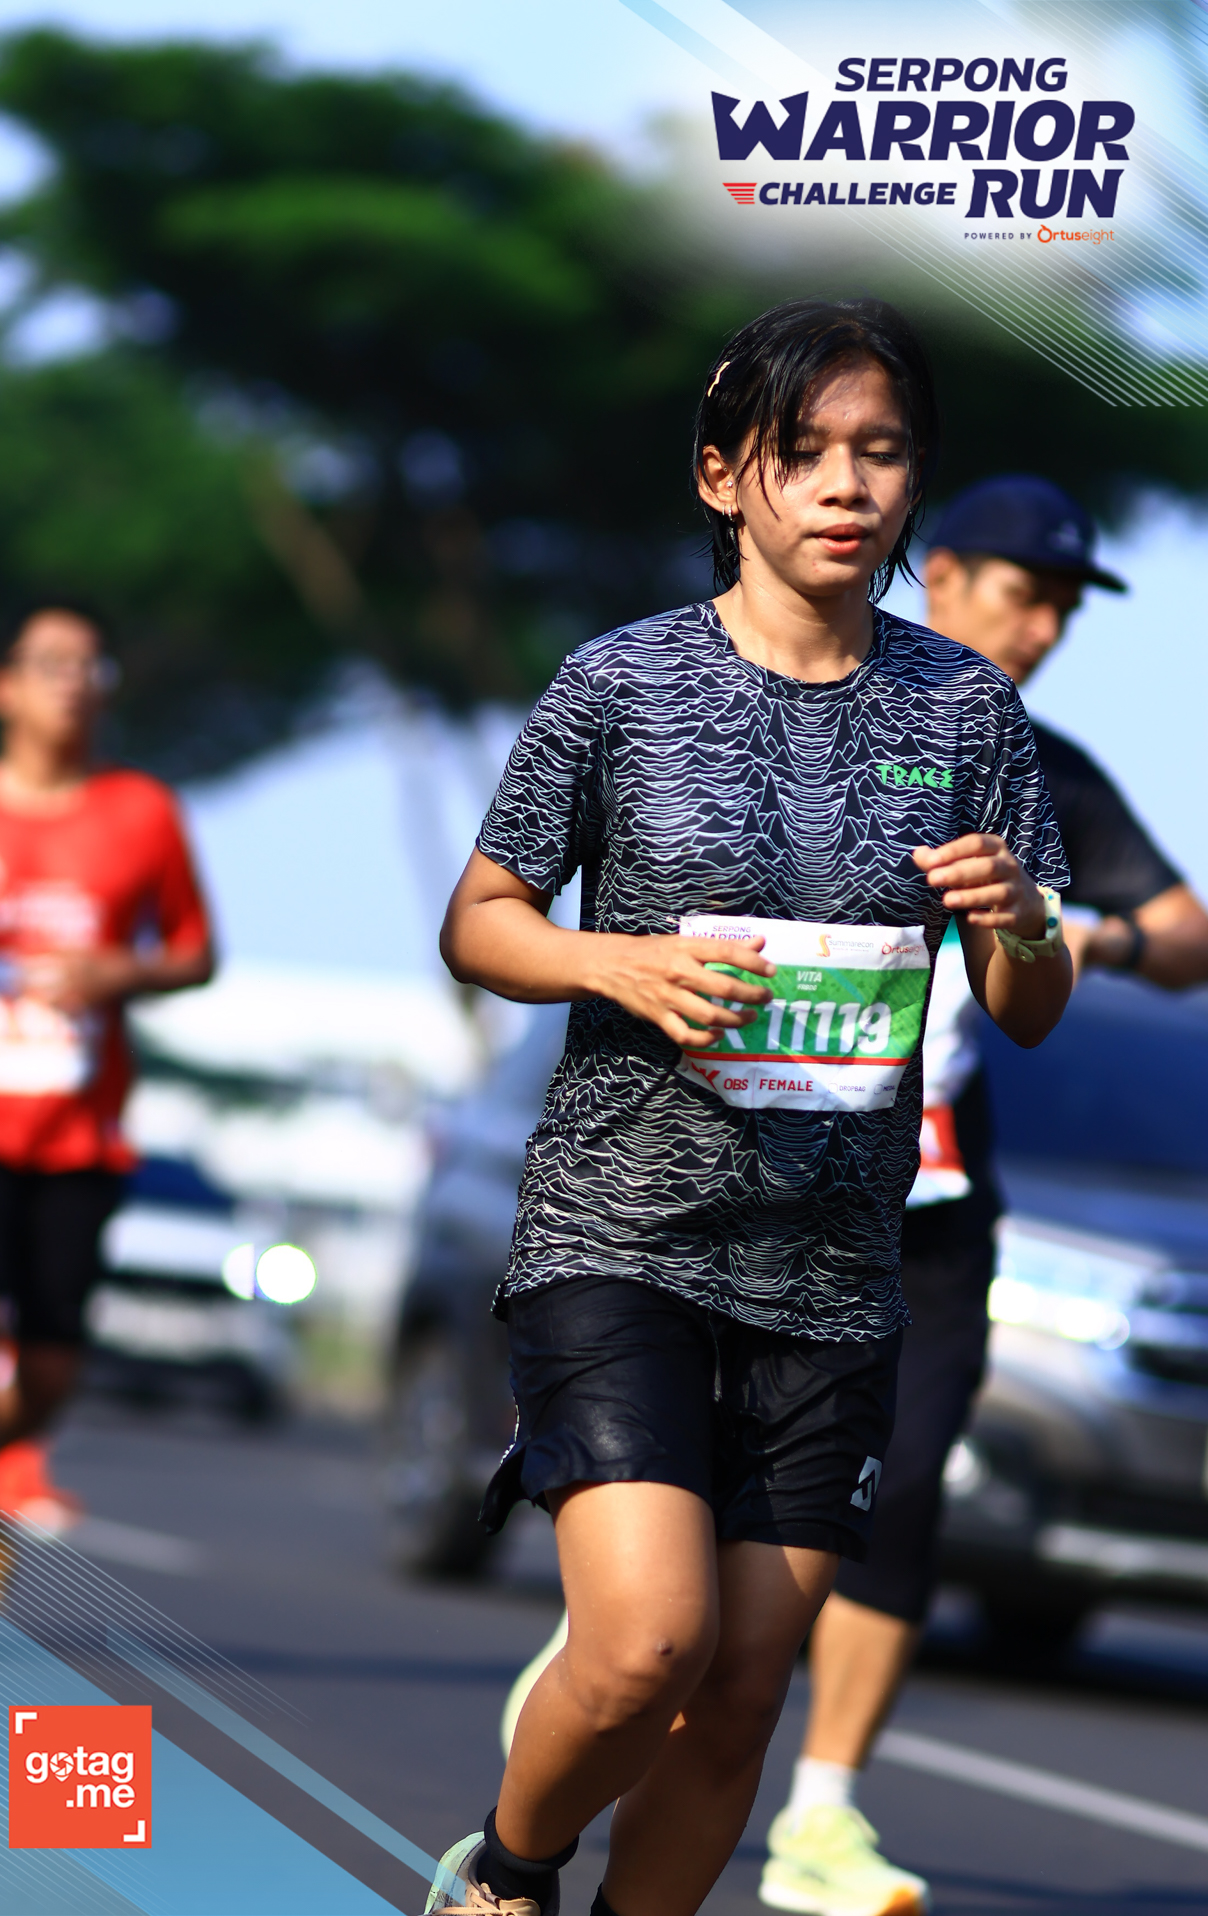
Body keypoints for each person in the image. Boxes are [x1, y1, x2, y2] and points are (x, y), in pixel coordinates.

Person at [427, 301, 1072, 1916]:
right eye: (805, 452)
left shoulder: (968, 713)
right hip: (622, 1237)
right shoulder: (620, 683)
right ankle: (505, 1874)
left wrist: (1022, 921)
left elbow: (1029, 1003)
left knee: (737, 1700)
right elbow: (482, 920)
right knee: (648, 1646)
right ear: (725, 476)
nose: (847, 485)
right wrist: (617, 965)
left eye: (882, 452)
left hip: (836, 1273)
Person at [755, 475, 1208, 1916]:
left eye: (1066, 606)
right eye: (1025, 593)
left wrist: (1078, 932)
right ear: (937, 573)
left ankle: (820, 1816)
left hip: (937, 1199)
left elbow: (1189, 932)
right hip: (759, 1178)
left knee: (898, 1501)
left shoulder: (1044, 771)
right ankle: (610, 1683)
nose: (1046, 627)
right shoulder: (803, 716)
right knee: (715, 1496)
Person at [0, 604, 214, 1654]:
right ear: (3, 687)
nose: (75, 680)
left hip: (82, 1134)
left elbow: (195, 951)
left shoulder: (141, 812)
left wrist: (114, 970)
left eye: (93, 664)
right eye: (52, 663)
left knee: (47, 1372)